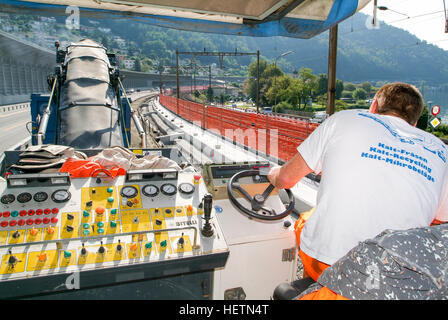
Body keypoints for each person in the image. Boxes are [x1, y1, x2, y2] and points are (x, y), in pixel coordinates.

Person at [268, 82, 448, 282]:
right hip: (398, 277)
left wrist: (274, 174)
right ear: (414, 123)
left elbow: (285, 179)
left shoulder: (345, 119)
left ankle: (311, 287)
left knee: (307, 219)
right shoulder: (440, 149)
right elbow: (439, 219)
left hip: (330, 261)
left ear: (373, 107)